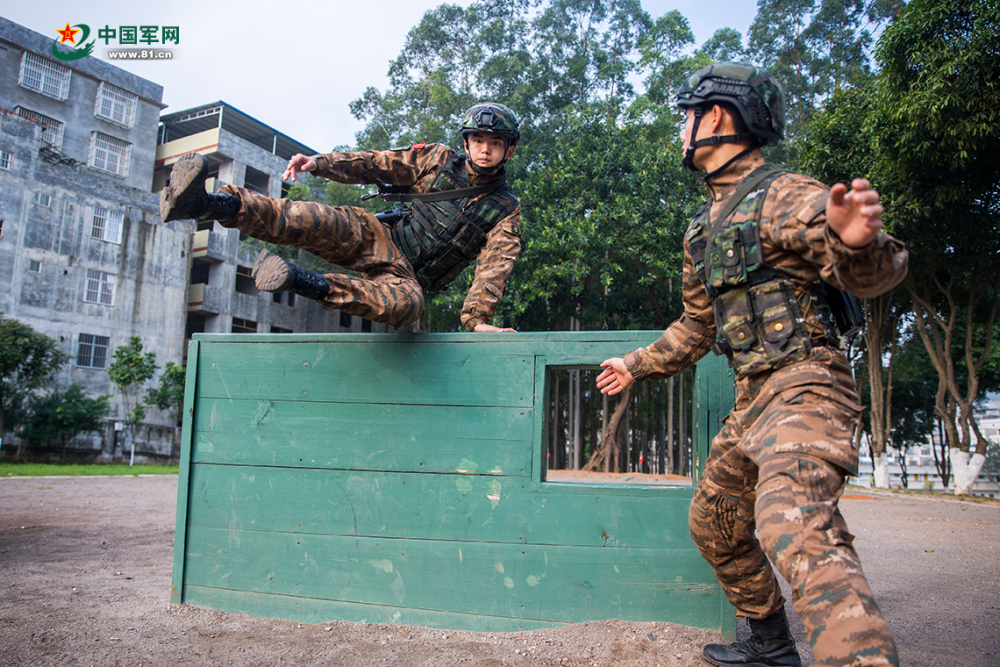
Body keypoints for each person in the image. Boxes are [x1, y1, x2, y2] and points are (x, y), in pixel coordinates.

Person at [596, 63, 907, 667]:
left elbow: (872, 272)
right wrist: (637, 364)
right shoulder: (701, 229)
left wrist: (856, 241)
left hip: (807, 386)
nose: (681, 128)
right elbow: (696, 326)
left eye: (687, 115)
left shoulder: (786, 194)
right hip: (752, 400)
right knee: (714, 521)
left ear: (714, 117)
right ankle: (768, 644)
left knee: (791, 520)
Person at [159, 103, 523, 331]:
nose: (485, 149)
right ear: (466, 143)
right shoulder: (438, 160)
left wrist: (477, 321)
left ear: (508, 149)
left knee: (407, 307)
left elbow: (495, 267)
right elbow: (377, 163)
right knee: (306, 218)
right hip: (378, 235)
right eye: (478, 140)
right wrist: (319, 163)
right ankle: (204, 204)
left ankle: (298, 280)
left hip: (403, 276)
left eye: (495, 143)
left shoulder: (505, 209)